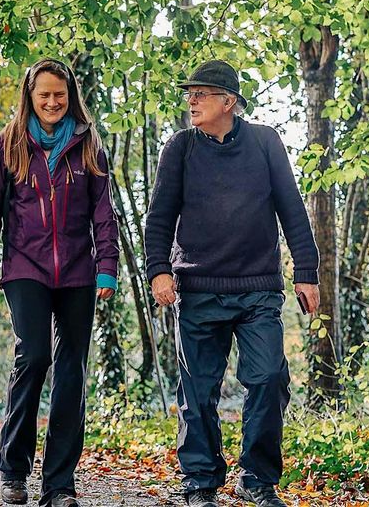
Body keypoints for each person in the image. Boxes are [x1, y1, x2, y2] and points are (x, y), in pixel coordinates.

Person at [144, 60, 321, 507]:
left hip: (258, 287)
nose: (191, 101)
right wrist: (159, 269)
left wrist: (306, 272)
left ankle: (257, 479)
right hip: (198, 287)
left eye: (200, 94)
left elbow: (292, 208)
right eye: (189, 94)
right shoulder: (180, 148)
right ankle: (200, 481)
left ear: (229, 101)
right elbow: (159, 216)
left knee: (268, 378)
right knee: (198, 390)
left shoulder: (264, 142)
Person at [0, 58, 120, 507]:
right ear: (30, 97)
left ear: (71, 96)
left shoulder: (89, 144)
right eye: (44, 95)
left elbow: (103, 213)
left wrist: (107, 265)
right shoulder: (9, 144)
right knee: (34, 357)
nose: (53, 102)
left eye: (60, 94)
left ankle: (59, 484)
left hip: (77, 271)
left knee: (71, 371)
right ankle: (14, 471)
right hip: (25, 268)